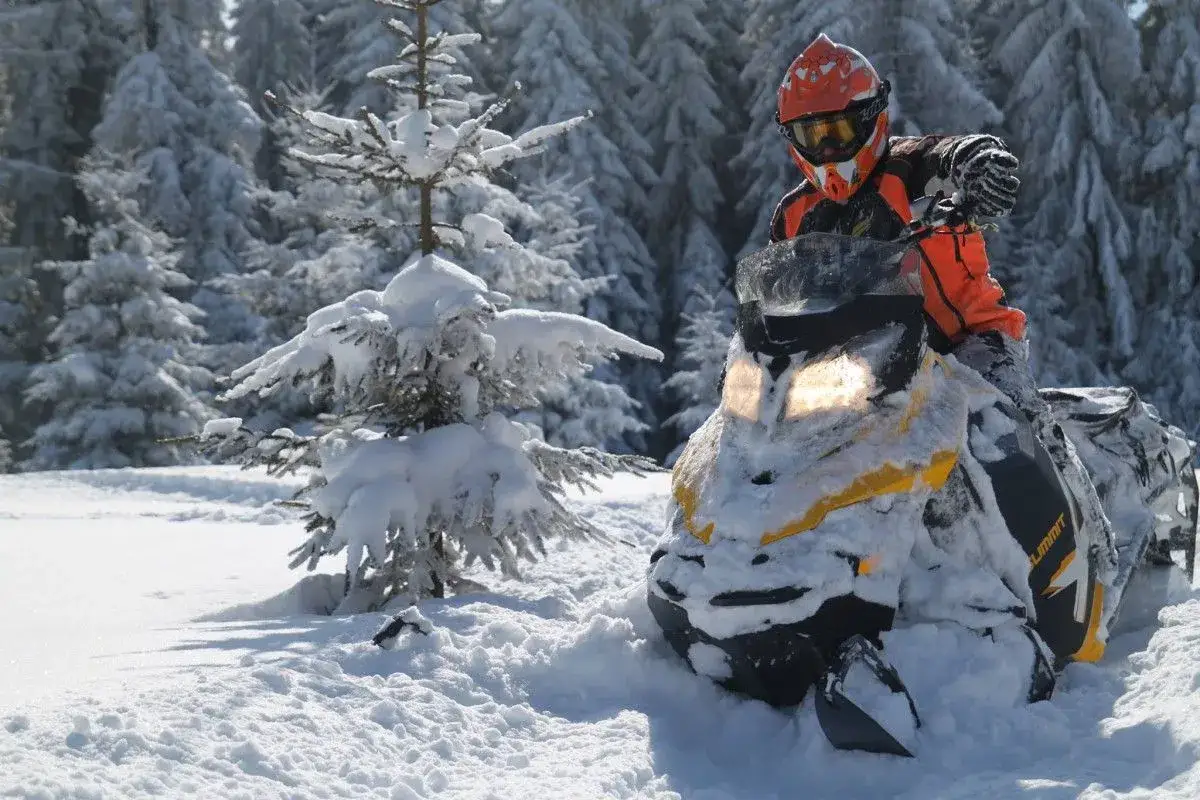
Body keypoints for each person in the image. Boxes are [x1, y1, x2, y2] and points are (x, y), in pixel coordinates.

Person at [769, 35, 1119, 611]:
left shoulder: (908, 168)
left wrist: (978, 164)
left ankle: (1085, 544)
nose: (829, 149)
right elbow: (777, 294)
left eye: (839, 131)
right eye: (814, 136)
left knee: (1009, 427)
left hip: (968, 340)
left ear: (871, 120)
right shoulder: (794, 214)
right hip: (867, 361)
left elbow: (951, 153)